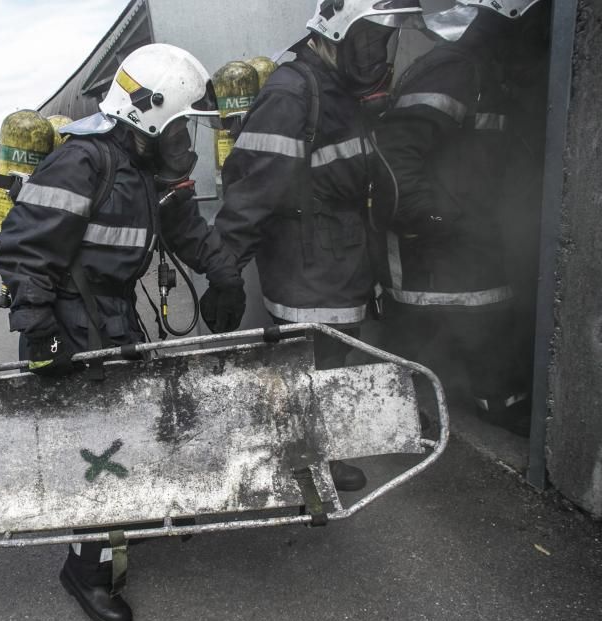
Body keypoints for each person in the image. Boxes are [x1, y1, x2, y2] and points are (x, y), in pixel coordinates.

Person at [0, 43, 245, 621]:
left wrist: (226, 276)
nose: (185, 136)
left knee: (123, 430)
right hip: (65, 322)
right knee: (92, 449)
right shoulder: (84, 162)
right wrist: (40, 336)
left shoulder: (148, 170)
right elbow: (25, 253)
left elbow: (188, 229)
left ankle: (118, 522)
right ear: (149, 115)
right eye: (180, 122)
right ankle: (87, 571)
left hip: (109, 319)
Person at [208, 0, 424, 491]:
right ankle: (306, 459)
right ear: (334, 34)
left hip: (340, 258)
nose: (378, 53)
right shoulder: (291, 92)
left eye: (383, 40)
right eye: (368, 39)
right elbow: (251, 188)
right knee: (310, 366)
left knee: (327, 362)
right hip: (309, 264)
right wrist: (225, 272)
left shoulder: (340, 89)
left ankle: (309, 451)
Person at [372, 0, 550, 435]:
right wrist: (433, 218)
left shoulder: (485, 72)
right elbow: (395, 152)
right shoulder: (454, 69)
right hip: (433, 256)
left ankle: (498, 403)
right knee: (419, 357)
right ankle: (409, 420)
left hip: (471, 247)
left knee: (488, 329)